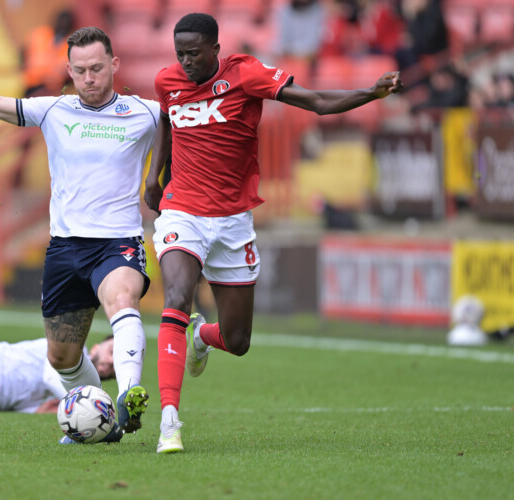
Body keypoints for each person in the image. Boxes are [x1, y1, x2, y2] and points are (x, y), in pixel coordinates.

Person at [144, 12, 404, 454]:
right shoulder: (167, 81)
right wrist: (155, 177)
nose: (185, 62)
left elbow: (315, 101)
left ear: (215, 49)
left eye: (193, 54)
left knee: (238, 341)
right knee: (177, 297)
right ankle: (170, 421)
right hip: (182, 210)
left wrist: (370, 92)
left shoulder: (246, 74)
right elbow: (167, 120)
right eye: (179, 54)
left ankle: (203, 337)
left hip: (233, 221)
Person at [0, 22, 160, 442]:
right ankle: (105, 420)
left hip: (118, 242)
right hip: (65, 248)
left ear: (114, 64)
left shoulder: (147, 113)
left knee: (122, 299)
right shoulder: (53, 110)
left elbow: (191, 127)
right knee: (61, 357)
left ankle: (130, 391)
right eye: (80, 70)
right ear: (69, 70)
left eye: (97, 68)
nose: (89, 78)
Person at [22, 9, 75, 97]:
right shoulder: (40, 34)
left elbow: (62, 71)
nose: (63, 25)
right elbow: (25, 54)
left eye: (66, 23)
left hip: (50, 88)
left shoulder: (70, 45)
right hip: (31, 82)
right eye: (61, 21)